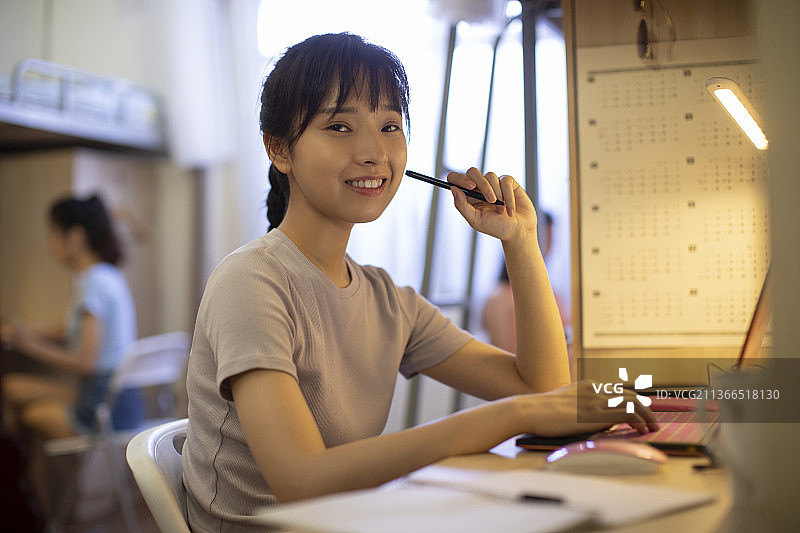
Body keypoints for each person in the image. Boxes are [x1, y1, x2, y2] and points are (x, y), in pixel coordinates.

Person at [182, 32, 658, 532]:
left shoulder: (387, 299)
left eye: (390, 126)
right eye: (340, 126)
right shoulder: (252, 281)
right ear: (279, 148)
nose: (373, 152)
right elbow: (304, 481)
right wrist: (515, 415)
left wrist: (520, 240)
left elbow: (541, 387)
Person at [1, 194, 140, 511]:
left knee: (29, 419)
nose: (50, 243)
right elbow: (67, 330)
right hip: (120, 398)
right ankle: (40, 498)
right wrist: (26, 330)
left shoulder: (93, 284)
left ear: (74, 236)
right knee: (11, 388)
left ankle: (34, 502)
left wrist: (26, 344)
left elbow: (85, 362)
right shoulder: (105, 276)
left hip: (101, 405)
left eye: (52, 233)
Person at [482, 211, 571, 352]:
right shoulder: (500, 298)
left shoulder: (553, 293)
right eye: (545, 238)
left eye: (551, 239)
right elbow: (502, 353)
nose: (549, 247)